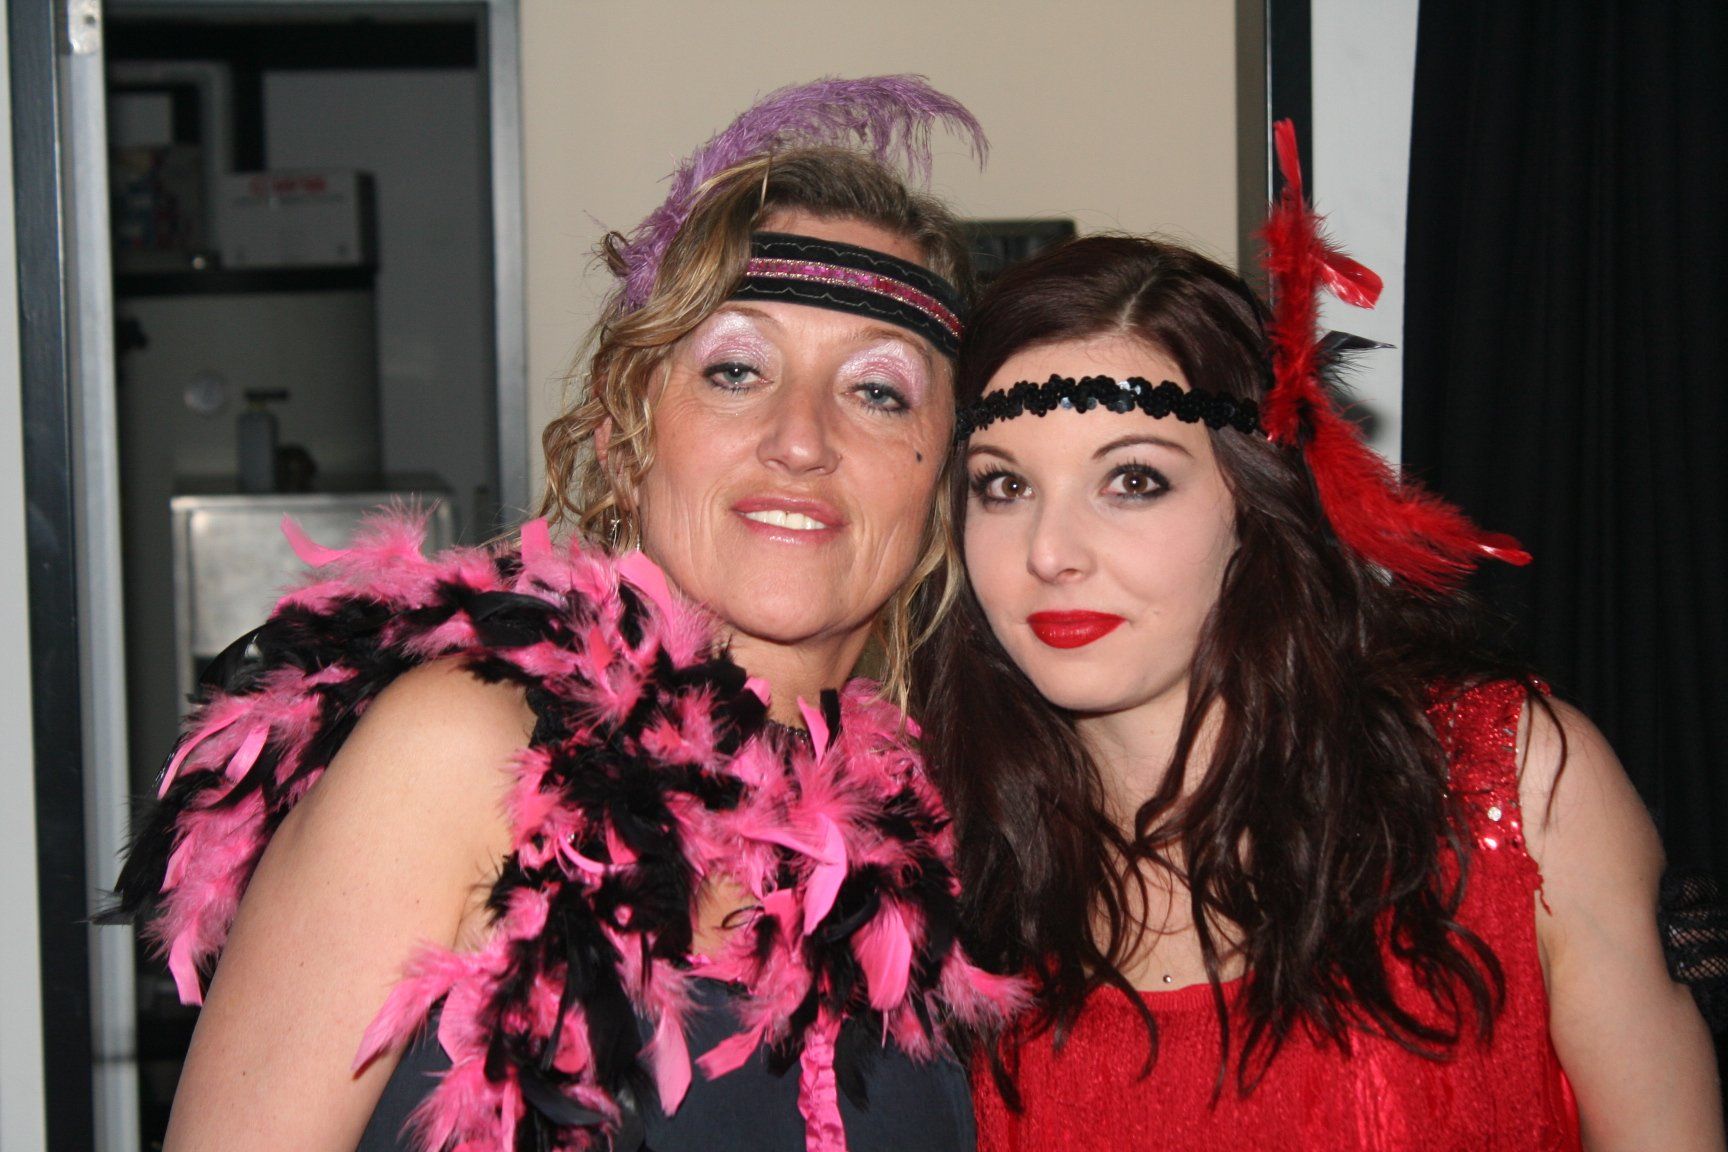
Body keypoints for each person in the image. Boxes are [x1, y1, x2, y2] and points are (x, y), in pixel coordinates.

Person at [111, 77, 1021, 1152]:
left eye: (877, 391)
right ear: (627, 441)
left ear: (943, 480)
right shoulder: (460, 749)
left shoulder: (947, 845)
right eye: (737, 370)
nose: (801, 438)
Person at [920, 128, 1723, 1150]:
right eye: (1003, 486)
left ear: (1255, 508)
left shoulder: (1507, 786)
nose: (1049, 551)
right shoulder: (929, 865)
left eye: (1133, 480)